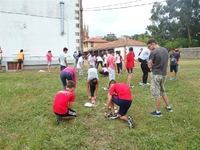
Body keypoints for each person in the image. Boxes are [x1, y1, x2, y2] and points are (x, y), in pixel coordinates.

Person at [147, 38, 173, 117]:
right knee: (162, 91)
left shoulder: (153, 52)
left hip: (156, 74)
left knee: (156, 93)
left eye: (149, 46)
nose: (149, 49)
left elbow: (149, 65)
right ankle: (168, 107)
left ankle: (158, 112)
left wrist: (151, 66)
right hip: (163, 74)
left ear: (153, 43)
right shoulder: (165, 50)